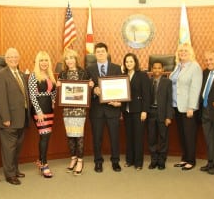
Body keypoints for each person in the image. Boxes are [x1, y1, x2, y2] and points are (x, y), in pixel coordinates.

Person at [0, 48, 30, 185]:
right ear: (6, 59)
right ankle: (9, 175)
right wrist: (5, 118)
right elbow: (0, 99)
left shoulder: (21, 74)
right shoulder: (0, 75)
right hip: (9, 120)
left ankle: (14, 170)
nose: (14, 59)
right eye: (10, 57)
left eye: (16, 57)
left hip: (21, 119)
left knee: (17, 147)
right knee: (9, 149)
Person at [86, 42, 122, 173]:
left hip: (112, 109)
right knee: (97, 137)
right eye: (98, 51)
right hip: (97, 110)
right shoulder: (89, 69)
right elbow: (86, 89)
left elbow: (121, 88)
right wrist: (92, 90)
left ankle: (115, 161)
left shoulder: (117, 68)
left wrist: (119, 101)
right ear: (95, 54)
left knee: (114, 137)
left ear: (107, 53)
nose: (100, 53)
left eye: (102, 51)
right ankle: (98, 161)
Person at [57, 49, 93, 176]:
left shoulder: (84, 73)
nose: (70, 60)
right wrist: (59, 86)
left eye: (72, 58)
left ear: (76, 59)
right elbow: (60, 93)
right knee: (70, 135)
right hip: (67, 110)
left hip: (79, 110)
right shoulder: (62, 74)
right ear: (65, 61)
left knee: (79, 136)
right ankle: (73, 158)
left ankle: (80, 161)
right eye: (67, 58)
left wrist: (91, 86)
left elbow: (89, 90)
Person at [169, 43, 203, 171]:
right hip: (177, 106)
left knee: (189, 135)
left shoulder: (195, 67)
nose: (182, 53)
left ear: (191, 53)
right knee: (182, 134)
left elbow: (195, 89)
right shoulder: (178, 66)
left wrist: (191, 107)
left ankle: (191, 160)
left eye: (185, 51)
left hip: (188, 108)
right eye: (180, 51)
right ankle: (184, 158)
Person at [28, 51, 56, 178]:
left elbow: (53, 91)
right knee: (45, 135)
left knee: (47, 136)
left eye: (46, 60)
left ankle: (40, 160)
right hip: (39, 110)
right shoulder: (34, 76)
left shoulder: (50, 75)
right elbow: (32, 95)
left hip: (49, 109)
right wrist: (38, 112)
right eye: (41, 60)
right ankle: (44, 164)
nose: (44, 63)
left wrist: (54, 101)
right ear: (37, 62)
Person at [121, 53, 150, 170]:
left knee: (138, 137)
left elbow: (146, 94)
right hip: (126, 111)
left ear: (135, 62)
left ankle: (138, 163)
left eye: (131, 61)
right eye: (126, 62)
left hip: (139, 111)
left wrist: (145, 110)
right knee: (129, 137)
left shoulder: (142, 75)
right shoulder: (123, 75)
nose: (129, 64)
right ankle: (129, 160)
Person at [147, 61, 173, 170]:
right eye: (154, 68)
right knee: (151, 137)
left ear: (162, 69)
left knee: (163, 137)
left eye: (159, 68)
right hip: (151, 113)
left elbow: (169, 100)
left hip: (162, 113)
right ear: (152, 69)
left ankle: (162, 159)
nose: (157, 70)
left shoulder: (167, 82)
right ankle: (154, 159)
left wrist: (168, 116)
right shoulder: (148, 81)